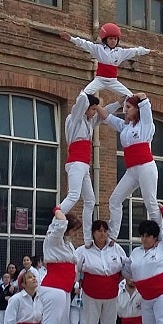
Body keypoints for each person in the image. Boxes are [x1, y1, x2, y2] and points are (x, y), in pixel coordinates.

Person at [103, 93, 160, 240]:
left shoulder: (146, 124)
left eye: (128, 107)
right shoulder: (125, 127)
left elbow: (144, 98)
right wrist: (96, 106)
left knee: (150, 202)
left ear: (137, 109)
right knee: (114, 200)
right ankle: (112, 237)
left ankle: (160, 238)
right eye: (125, 107)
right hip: (132, 170)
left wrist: (133, 95)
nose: (125, 110)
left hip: (146, 167)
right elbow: (106, 117)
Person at [75, 218, 129, 324]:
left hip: (111, 293)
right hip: (91, 294)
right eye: (99, 231)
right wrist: (76, 285)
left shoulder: (116, 249)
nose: (103, 234)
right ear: (92, 233)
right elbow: (76, 270)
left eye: (105, 231)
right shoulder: (83, 251)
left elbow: (125, 268)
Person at [57, 91, 110, 231]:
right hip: (76, 161)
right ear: (86, 107)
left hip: (84, 164)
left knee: (90, 200)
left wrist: (118, 103)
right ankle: (56, 218)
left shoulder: (89, 122)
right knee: (74, 194)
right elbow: (81, 100)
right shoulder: (74, 118)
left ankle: (87, 236)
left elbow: (105, 114)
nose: (94, 112)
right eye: (92, 109)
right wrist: (89, 91)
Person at [39, 208, 80, 324]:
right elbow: (61, 222)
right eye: (73, 229)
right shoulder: (53, 238)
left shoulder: (66, 243)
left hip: (64, 289)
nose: (74, 233)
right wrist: (58, 209)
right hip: (53, 287)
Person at [60, 24, 153, 98]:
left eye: (115, 39)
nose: (113, 41)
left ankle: (130, 118)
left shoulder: (120, 52)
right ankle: (79, 116)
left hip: (113, 81)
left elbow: (135, 51)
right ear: (105, 39)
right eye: (111, 39)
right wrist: (71, 39)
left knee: (130, 97)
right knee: (83, 96)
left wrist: (149, 51)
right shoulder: (98, 49)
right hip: (99, 80)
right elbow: (84, 44)